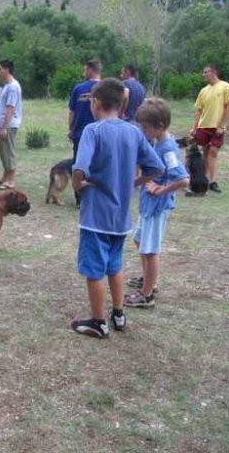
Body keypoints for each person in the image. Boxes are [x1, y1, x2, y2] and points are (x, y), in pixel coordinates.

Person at [70, 78, 164, 339]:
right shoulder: (133, 132)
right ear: (121, 103)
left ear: (95, 102)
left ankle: (98, 322)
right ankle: (119, 314)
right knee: (115, 265)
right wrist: (136, 182)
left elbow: (79, 169)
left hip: (95, 217)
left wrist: (79, 186)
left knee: (94, 270)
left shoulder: (93, 131)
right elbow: (157, 167)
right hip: (120, 218)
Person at [124, 98, 190, 309]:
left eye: (144, 127)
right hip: (148, 204)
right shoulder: (157, 142)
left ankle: (147, 294)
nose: (142, 131)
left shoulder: (168, 149)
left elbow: (183, 179)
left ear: (159, 126)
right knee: (139, 240)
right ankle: (148, 279)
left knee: (150, 250)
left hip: (157, 206)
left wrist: (161, 189)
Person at [189, 64, 229, 193]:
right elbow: (199, 110)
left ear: (214, 72)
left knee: (213, 151)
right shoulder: (203, 91)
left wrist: (222, 125)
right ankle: (204, 179)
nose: (204, 75)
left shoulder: (225, 86)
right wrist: (194, 127)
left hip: (217, 127)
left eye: (206, 72)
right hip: (204, 126)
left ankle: (213, 182)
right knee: (206, 152)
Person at [68, 59, 101, 206]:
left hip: (80, 134)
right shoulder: (105, 88)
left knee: (79, 165)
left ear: (90, 70)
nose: (83, 73)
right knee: (98, 164)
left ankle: (80, 198)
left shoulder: (79, 88)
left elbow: (72, 111)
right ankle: (95, 196)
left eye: (84, 70)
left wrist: (70, 129)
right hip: (101, 134)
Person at [0, 59, 23, 190]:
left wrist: (4, 127)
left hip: (8, 126)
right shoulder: (7, 85)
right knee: (3, 152)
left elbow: (10, 108)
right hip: (3, 125)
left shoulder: (13, 87)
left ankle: (10, 181)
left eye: (0, 69)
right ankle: (5, 177)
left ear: (7, 70)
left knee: (8, 152)